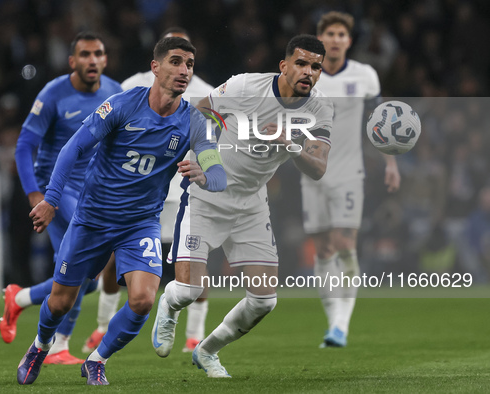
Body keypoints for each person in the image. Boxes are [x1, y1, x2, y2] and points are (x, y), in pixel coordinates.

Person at [16, 36, 226, 386]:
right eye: (175, 61)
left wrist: (205, 174)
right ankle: (40, 345)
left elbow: (218, 175)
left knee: (143, 300)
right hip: (93, 218)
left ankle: (97, 360)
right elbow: (73, 148)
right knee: (60, 303)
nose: (184, 70)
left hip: (140, 224)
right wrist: (51, 199)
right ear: (155, 67)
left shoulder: (194, 122)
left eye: (189, 64)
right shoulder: (121, 105)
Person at [152, 34, 333, 377]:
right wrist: (203, 156)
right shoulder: (246, 87)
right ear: (284, 65)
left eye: (316, 67)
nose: (309, 72)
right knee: (188, 291)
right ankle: (169, 304)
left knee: (264, 300)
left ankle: (207, 351)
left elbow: (319, 167)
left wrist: (290, 144)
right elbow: (197, 111)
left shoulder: (321, 106)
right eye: (301, 63)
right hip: (207, 194)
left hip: (251, 204)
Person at [82, 26, 215, 355]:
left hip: (183, 191)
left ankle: (195, 334)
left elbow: (210, 144)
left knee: (195, 262)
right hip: (135, 195)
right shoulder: (133, 85)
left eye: (186, 56)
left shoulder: (205, 92)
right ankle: (102, 326)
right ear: (160, 58)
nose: (181, 65)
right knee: (115, 261)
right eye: (173, 54)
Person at [0, 32, 122, 364]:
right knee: (83, 269)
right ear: (72, 61)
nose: (92, 60)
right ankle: (57, 345)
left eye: (98, 53)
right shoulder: (53, 94)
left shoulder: (115, 92)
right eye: (84, 54)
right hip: (58, 189)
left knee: (85, 279)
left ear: (105, 59)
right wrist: (35, 194)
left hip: (93, 192)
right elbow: (25, 145)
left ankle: (20, 298)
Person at [304, 11, 400, 348]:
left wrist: (390, 163)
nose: (335, 39)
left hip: (349, 173)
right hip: (311, 172)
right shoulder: (307, 75)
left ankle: (341, 325)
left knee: (345, 244)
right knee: (323, 249)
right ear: (320, 37)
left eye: (341, 34)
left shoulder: (364, 76)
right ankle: (333, 321)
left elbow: (379, 120)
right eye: (329, 33)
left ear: (349, 40)